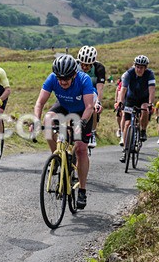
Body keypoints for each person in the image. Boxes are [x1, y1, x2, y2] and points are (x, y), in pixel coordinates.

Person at [34, 54, 96, 209]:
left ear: (74, 75)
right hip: (63, 107)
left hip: (82, 112)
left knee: (81, 148)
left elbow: (89, 107)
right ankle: (56, 157)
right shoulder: (52, 78)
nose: (62, 82)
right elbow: (40, 102)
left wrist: (81, 123)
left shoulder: (84, 80)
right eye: (60, 78)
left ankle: (82, 190)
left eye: (66, 79)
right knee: (47, 121)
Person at [115, 55, 156, 162]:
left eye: (141, 67)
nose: (139, 69)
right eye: (137, 67)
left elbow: (151, 90)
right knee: (127, 123)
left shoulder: (150, 74)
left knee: (145, 108)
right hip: (131, 99)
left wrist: (151, 103)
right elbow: (123, 89)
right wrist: (120, 102)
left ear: (145, 68)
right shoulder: (129, 73)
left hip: (143, 98)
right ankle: (125, 150)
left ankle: (143, 130)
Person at [76, 45, 106, 148]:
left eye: (87, 65)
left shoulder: (99, 68)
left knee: (93, 108)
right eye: (82, 64)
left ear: (92, 63)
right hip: (78, 92)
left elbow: (100, 88)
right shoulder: (75, 65)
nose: (84, 67)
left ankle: (92, 133)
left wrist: (98, 102)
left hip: (92, 93)